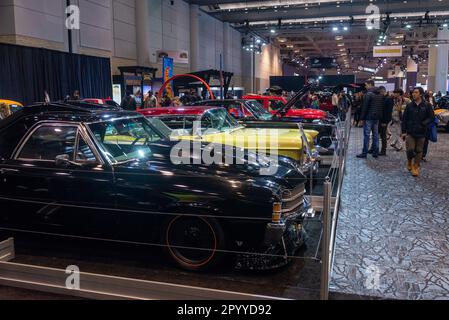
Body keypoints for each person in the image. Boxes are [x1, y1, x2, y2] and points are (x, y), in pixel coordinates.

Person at [401, 87, 435, 177]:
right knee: (410, 149)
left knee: (419, 150)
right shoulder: (409, 105)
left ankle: (416, 167)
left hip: (422, 132)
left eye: (416, 92)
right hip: (410, 131)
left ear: (420, 94)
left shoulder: (427, 105)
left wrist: (424, 123)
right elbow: (404, 119)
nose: (413, 94)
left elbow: (431, 117)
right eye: (413, 92)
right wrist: (403, 131)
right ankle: (409, 161)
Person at [357, 80, 385, 159]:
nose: (365, 86)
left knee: (367, 135)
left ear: (370, 84)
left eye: (366, 85)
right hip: (377, 117)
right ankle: (375, 152)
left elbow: (364, 107)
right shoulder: (380, 94)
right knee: (375, 135)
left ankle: (364, 153)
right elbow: (381, 106)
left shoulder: (368, 94)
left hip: (369, 117)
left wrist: (361, 118)